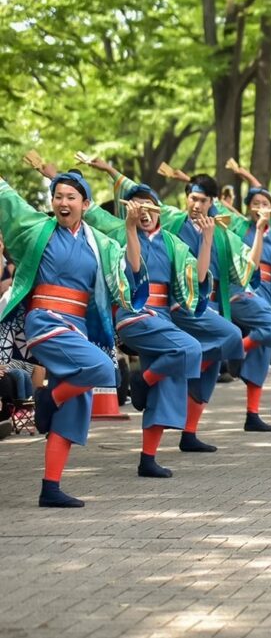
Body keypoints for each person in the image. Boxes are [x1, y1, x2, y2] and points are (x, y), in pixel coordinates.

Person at [0, 169, 146, 507]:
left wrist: (130, 229)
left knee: (76, 404)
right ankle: (49, 398)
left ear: (85, 203)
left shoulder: (100, 242)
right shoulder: (38, 229)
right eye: (58, 196)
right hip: (46, 320)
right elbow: (8, 200)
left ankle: (50, 488)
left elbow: (132, 272)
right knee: (102, 369)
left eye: (71, 197)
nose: (63, 202)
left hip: (77, 327)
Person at [74, 171, 206, 477]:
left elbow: (196, 280)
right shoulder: (120, 233)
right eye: (136, 207)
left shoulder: (173, 243)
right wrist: (130, 227)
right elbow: (132, 267)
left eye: (149, 206)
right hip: (134, 313)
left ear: (159, 209)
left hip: (162, 319)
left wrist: (208, 238)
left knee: (169, 385)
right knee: (191, 348)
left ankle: (147, 459)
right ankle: (141, 380)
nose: (143, 211)